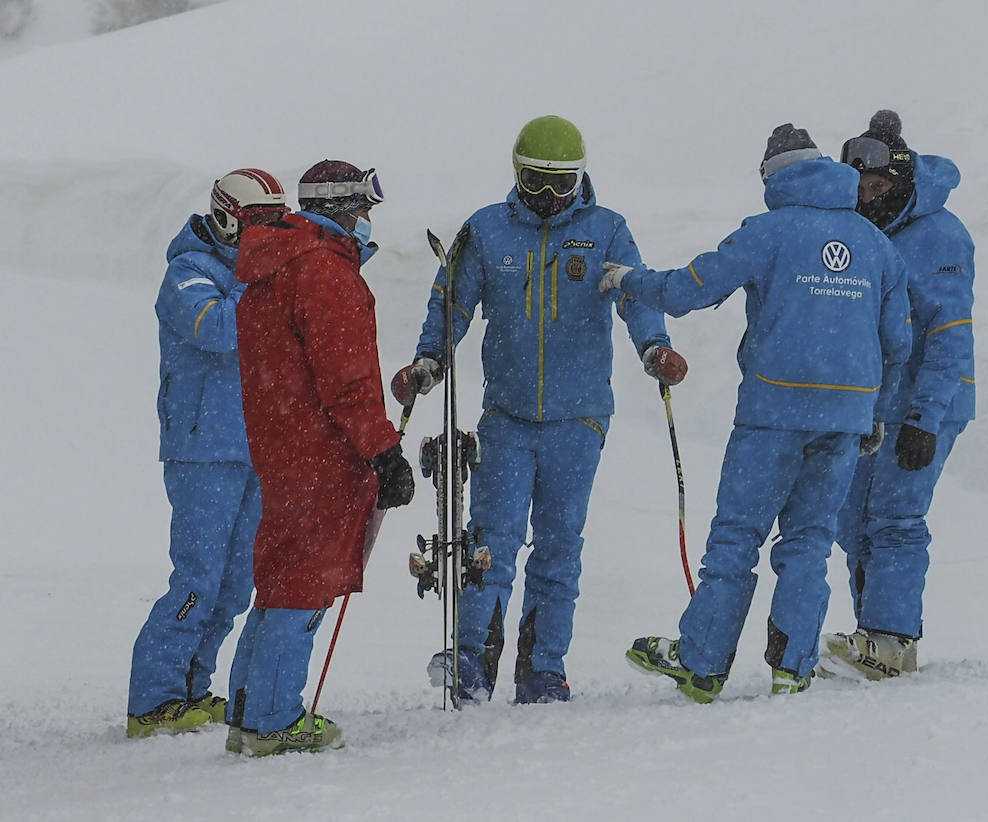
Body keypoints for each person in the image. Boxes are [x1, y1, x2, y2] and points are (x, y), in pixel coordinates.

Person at [612, 124, 912, 702]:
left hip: (773, 411)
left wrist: (630, 281)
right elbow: (896, 341)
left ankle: (702, 663)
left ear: (774, 178)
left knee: (736, 538)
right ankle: (792, 666)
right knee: (809, 540)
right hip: (845, 421)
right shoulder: (876, 244)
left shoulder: (768, 232)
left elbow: (687, 290)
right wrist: (871, 410)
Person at [391, 115, 685, 705]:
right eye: (537, 184)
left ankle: (543, 668)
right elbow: (451, 301)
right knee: (491, 540)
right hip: (508, 414)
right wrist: (430, 359)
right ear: (517, 174)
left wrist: (655, 347)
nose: (550, 199)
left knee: (559, 544)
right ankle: (472, 658)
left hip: (579, 418)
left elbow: (635, 293)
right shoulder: (487, 230)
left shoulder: (606, 230)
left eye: (563, 184)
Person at [226, 159, 414, 756]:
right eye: (360, 210)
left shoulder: (272, 266)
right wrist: (384, 451)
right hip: (322, 454)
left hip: (282, 451)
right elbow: (349, 380)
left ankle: (249, 715)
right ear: (337, 208)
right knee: (305, 585)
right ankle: (275, 721)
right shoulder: (324, 273)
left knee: (279, 580)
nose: (365, 222)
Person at [127, 169, 289, 739]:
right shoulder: (188, 272)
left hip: (252, 449)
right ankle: (152, 700)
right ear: (226, 217)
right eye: (256, 224)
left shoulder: (254, 276)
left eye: (274, 224)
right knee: (196, 577)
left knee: (235, 583)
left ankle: (191, 688)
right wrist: (262, 281)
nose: (265, 236)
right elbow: (219, 328)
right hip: (202, 451)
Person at [818, 110, 976, 681]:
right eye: (857, 184)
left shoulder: (939, 234)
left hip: (927, 402)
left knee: (895, 516)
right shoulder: (862, 228)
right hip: (874, 404)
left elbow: (950, 335)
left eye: (878, 184)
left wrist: (925, 417)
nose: (867, 194)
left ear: (902, 177)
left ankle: (892, 638)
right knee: (851, 520)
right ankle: (875, 639)